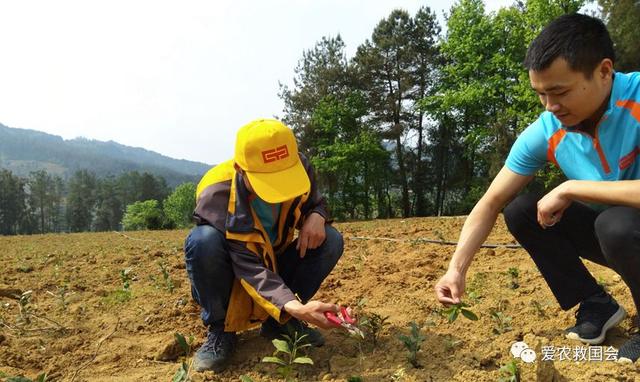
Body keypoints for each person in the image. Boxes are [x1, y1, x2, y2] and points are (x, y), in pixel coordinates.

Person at [435, 13, 640, 363]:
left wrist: (572, 188)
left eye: (560, 92)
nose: (550, 106)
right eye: (541, 94)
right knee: (522, 211)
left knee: (616, 224)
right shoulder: (548, 130)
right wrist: (456, 268)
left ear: (604, 71)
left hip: (626, 229)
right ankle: (595, 303)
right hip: (625, 238)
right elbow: (491, 202)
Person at [184, 118, 344, 372]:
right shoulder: (216, 193)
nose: (279, 192)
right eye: (269, 180)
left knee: (331, 239)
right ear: (241, 169)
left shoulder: (299, 165)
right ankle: (220, 329)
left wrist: (317, 215)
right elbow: (247, 265)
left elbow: (315, 200)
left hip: (275, 261)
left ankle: (280, 323)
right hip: (235, 271)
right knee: (203, 241)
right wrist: (298, 308)